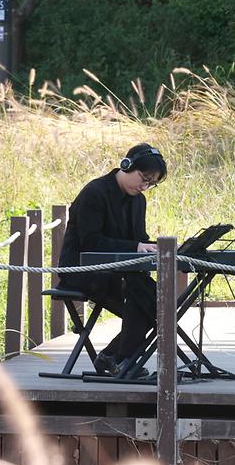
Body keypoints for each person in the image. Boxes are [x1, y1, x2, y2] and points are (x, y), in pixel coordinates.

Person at [57, 143, 168, 377]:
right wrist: (136, 247)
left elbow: (138, 239)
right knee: (150, 303)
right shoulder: (95, 193)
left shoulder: (138, 201)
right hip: (83, 272)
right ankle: (117, 358)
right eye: (144, 179)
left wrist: (155, 248)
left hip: (119, 273)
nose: (144, 187)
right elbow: (91, 242)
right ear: (127, 165)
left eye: (151, 184)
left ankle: (115, 358)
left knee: (159, 303)